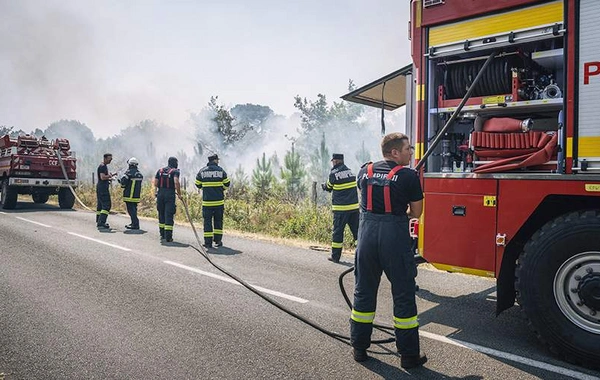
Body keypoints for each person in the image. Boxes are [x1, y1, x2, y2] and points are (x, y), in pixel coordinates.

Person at [350, 132, 426, 369]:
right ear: (394, 152)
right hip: (394, 237)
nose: (411, 153)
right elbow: (416, 213)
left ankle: (359, 349)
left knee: (363, 291)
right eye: (407, 149)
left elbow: (365, 200)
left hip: (367, 235)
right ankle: (409, 356)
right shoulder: (408, 176)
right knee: (403, 295)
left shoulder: (364, 170)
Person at [322, 153, 359, 263]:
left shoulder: (334, 174)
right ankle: (360, 255)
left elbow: (328, 187)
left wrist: (324, 186)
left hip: (341, 210)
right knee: (357, 233)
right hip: (354, 209)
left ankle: (335, 256)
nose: (332, 163)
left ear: (336, 161)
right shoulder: (351, 172)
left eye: (333, 161)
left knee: (338, 233)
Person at [195, 154, 230, 248]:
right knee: (218, 221)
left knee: (207, 222)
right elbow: (227, 184)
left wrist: (206, 188)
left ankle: (208, 243)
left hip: (207, 202)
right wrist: (220, 189)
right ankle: (218, 241)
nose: (218, 161)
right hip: (219, 202)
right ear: (215, 160)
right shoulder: (221, 171)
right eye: (217, 160)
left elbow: (198, 184)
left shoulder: (202, 171)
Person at [153, 156, 181, 242]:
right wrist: (179, 194)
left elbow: (156, 183)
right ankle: (168, 237)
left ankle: (162, 234)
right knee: (168, 214)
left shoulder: (160, 170)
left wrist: (156, 192)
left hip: (160, 193)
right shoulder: (175, 171)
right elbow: (176, 182)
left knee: (161, 214)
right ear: (175, 163)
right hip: (169, 194)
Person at [119, 157, 143, 230]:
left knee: (130, 210)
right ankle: (133, 223)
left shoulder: (128, 173)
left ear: (130, 164)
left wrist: (120, 181)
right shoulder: (139, 174)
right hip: (136, 196)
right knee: (134, 210)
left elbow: (123, 183)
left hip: (129, 195)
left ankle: (135, 224)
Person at [96, 153, 116, 229]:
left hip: (101, 187)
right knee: (107, 205)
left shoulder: (103, 166)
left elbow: (104, 177)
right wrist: (111, 175)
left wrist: (110, 178)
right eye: (109, 158)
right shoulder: (102, 166)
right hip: (103, 189)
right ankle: (101, 222)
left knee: (100, 205)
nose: (111, 160)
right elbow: (102, 177)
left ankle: (99, 220)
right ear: (105, 158)